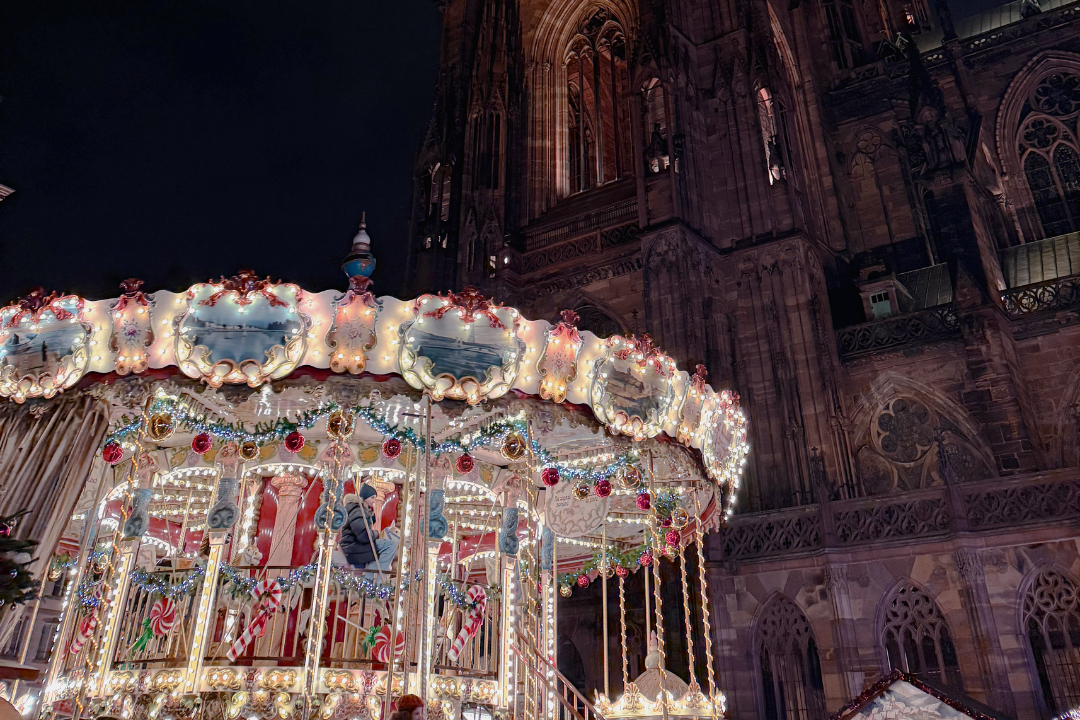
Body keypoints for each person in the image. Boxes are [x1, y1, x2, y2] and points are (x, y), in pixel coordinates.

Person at [339, 484, 399, 572]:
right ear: (365, 497)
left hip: (356, 543)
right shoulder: (357, 510)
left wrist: (371, 515)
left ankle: (372, 574)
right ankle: (374, 574)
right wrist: (376, 534)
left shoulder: (362, 510)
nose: (374, 501)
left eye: (375, 498)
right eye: (372, 498)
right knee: (390, 545)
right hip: (353, 545)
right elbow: (364, 535)